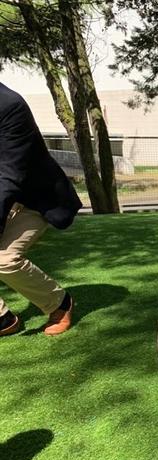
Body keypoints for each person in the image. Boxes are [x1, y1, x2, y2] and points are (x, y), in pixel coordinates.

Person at [0, 82, 81, 337]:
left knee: (4, 260)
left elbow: (8, 177)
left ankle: (59, 303)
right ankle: (4, 319)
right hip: (6, 192)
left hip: (32, 198)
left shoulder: (10, 106)